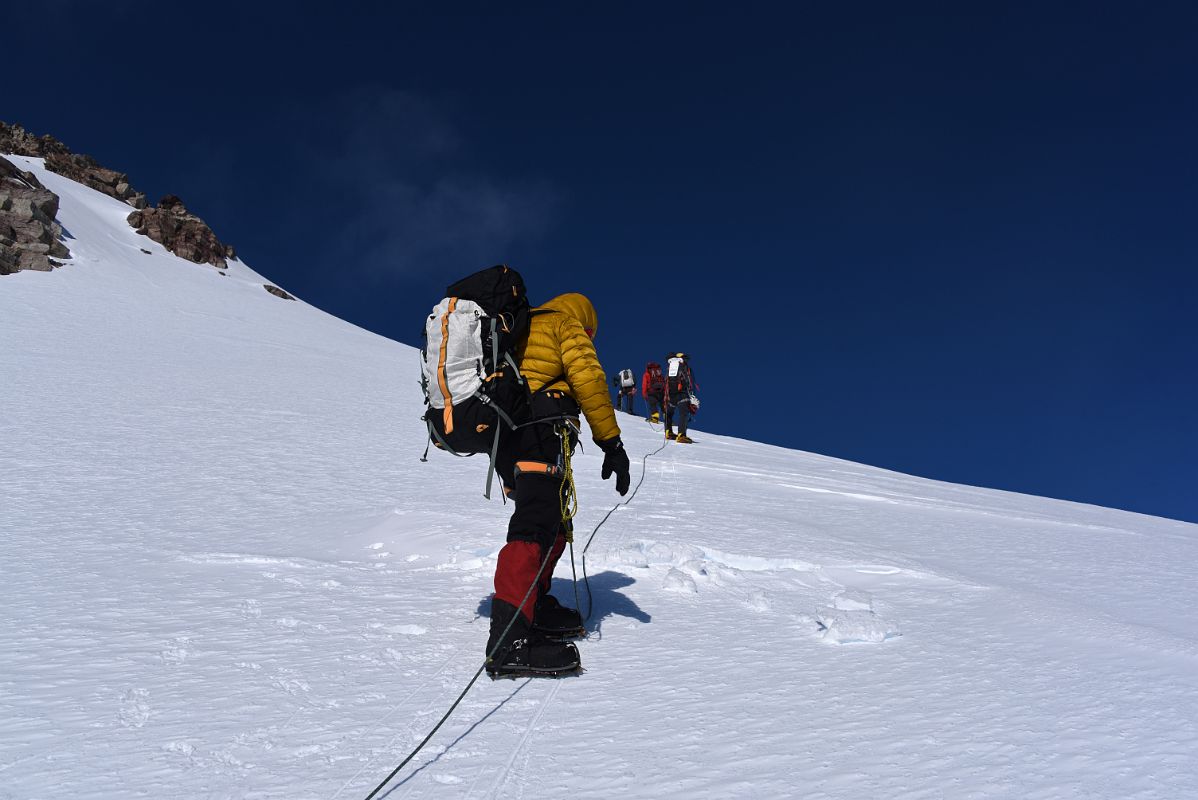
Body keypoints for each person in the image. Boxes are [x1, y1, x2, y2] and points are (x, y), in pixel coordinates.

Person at [487, 293, 631, 677]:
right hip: (541, 429)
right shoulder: (562, 324)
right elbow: (587, 378)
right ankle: (509, 642)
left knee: (551, 522)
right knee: (535, 526)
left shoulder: (521, 329)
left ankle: (534, 605)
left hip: (512, 439)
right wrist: (612, 444)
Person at [663, 352, 698, 444]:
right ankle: (681, 435)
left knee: (669, 413)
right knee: (683, 414)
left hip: (670, 395)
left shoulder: (670, 367)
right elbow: (689, 382)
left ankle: (668, 432)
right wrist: (691, 396)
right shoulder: (684, 367)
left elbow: (666, 382)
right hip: (682, 394)